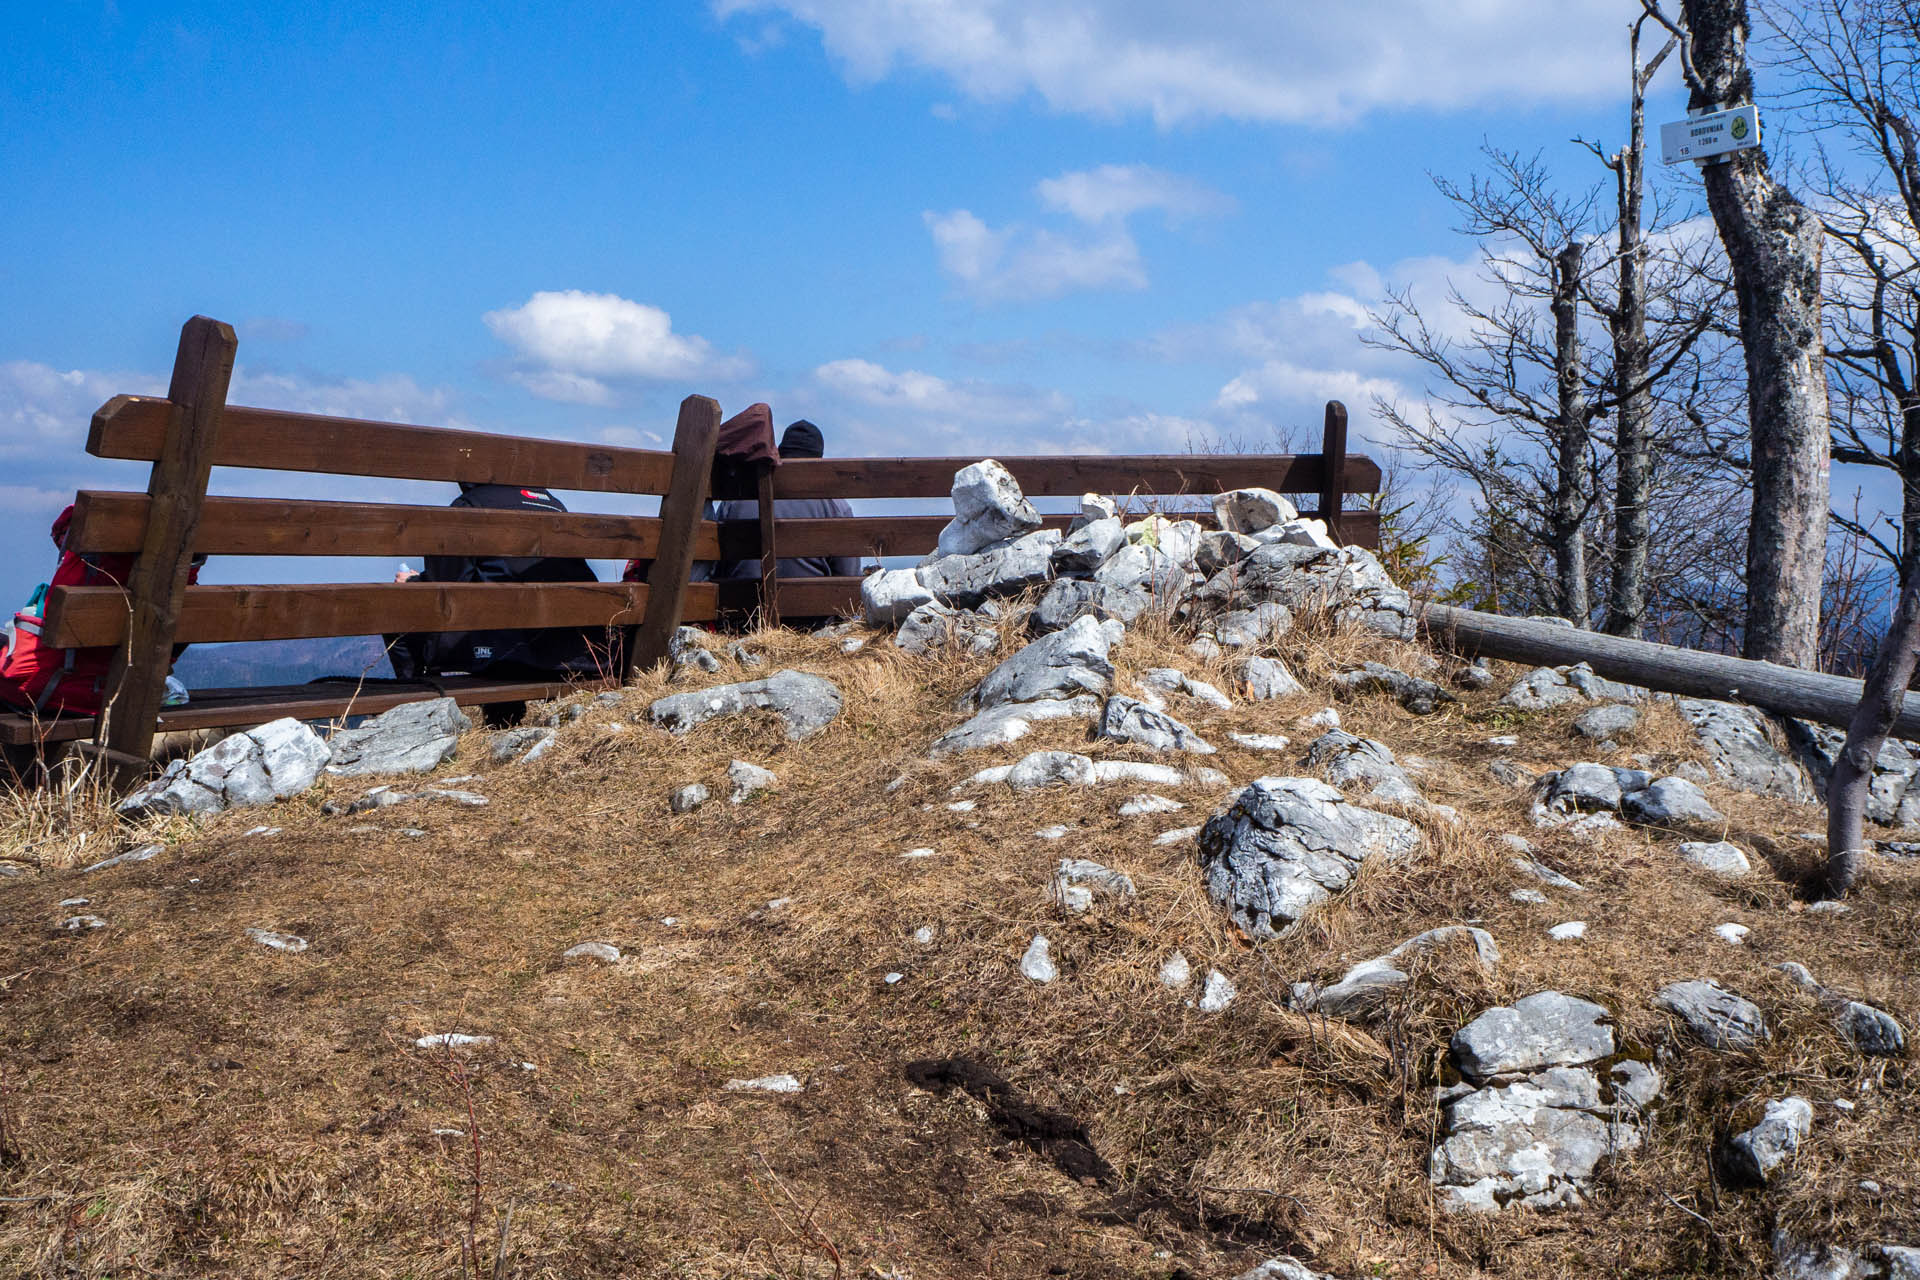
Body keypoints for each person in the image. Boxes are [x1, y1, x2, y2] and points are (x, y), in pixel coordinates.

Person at [387, 482, 620, 682]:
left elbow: (444, 586)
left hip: (507, 656)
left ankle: (418, 704)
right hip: (576, 653)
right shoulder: (552, 503)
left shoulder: (470, 505)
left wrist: (412, 582)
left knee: (397, 606)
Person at [692, 420, 862, 584]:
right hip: (811, 612)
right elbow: (848, 578)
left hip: (742, 610)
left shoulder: (737, 498)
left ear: (781, 454)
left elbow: (717, 563)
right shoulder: (837, 506)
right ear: (818, 460)